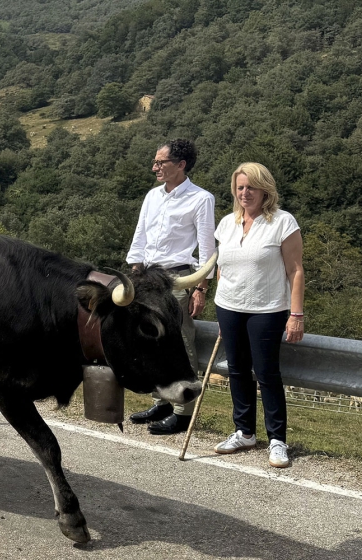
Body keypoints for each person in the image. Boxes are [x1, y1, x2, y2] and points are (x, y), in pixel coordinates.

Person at [212, 162, 304, 468]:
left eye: (251, 187)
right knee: (236, 370)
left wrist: (296, 314)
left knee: (266, 373)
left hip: (267, 309)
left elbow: (296, 270)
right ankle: (245, 432)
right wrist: (220, 303)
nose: (244, 193)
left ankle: (277, 439)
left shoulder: (283, 222)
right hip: (229, 307)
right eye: (240, 187)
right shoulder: (227, 223)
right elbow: (222, 267)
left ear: (265, 190)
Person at [126, 139, 215, 435]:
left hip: (177, 278)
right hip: (146, 278)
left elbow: (206, 246)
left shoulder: (201, 199)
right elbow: (140, 235)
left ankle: (183, 411)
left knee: (181, 340)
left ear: (181, 165)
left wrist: (201, 288)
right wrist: (135, 272)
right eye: (155, 162)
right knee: (151, 340)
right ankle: (161, 402)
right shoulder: (153, 195)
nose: (154, 168)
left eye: (160, 163)